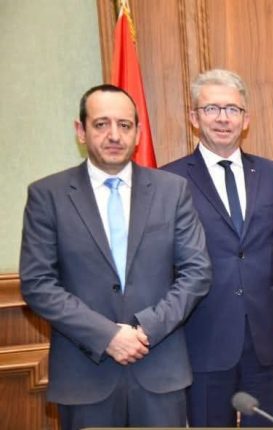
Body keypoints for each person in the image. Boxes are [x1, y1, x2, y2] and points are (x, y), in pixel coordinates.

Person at [19, 84, 211, 430]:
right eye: (101, 124)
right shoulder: (48, 195)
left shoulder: (172, 190)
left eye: (124, 125)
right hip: (85, 376)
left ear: (138, 133)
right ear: (80, 131)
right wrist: (107, 336)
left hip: (159, 371)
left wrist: (146, 329)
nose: (114, 135)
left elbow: (196, 272)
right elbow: (38, 284)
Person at [161, 69, 273, 427]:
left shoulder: (272, 174)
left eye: (232, 109)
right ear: (194, 118)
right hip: (202, 341)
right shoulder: (168, 181)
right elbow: (161, 268)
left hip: (267, 340)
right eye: (212, 109)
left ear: (246, 119)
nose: (223, 118)